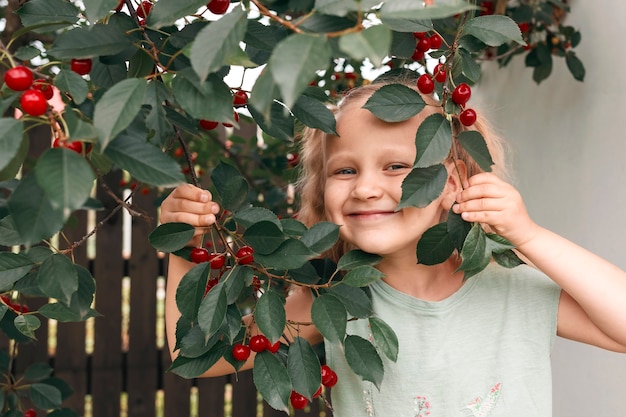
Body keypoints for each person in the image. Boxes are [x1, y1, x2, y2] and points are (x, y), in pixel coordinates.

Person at [160, 78, 626, 417]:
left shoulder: (515, 288)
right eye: (344, 171)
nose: (365, 188)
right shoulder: (331, 303)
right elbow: (198, 358)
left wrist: (529, 236)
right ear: (322, 191)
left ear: (453, 183)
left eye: (397, 166)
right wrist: (185, 248)